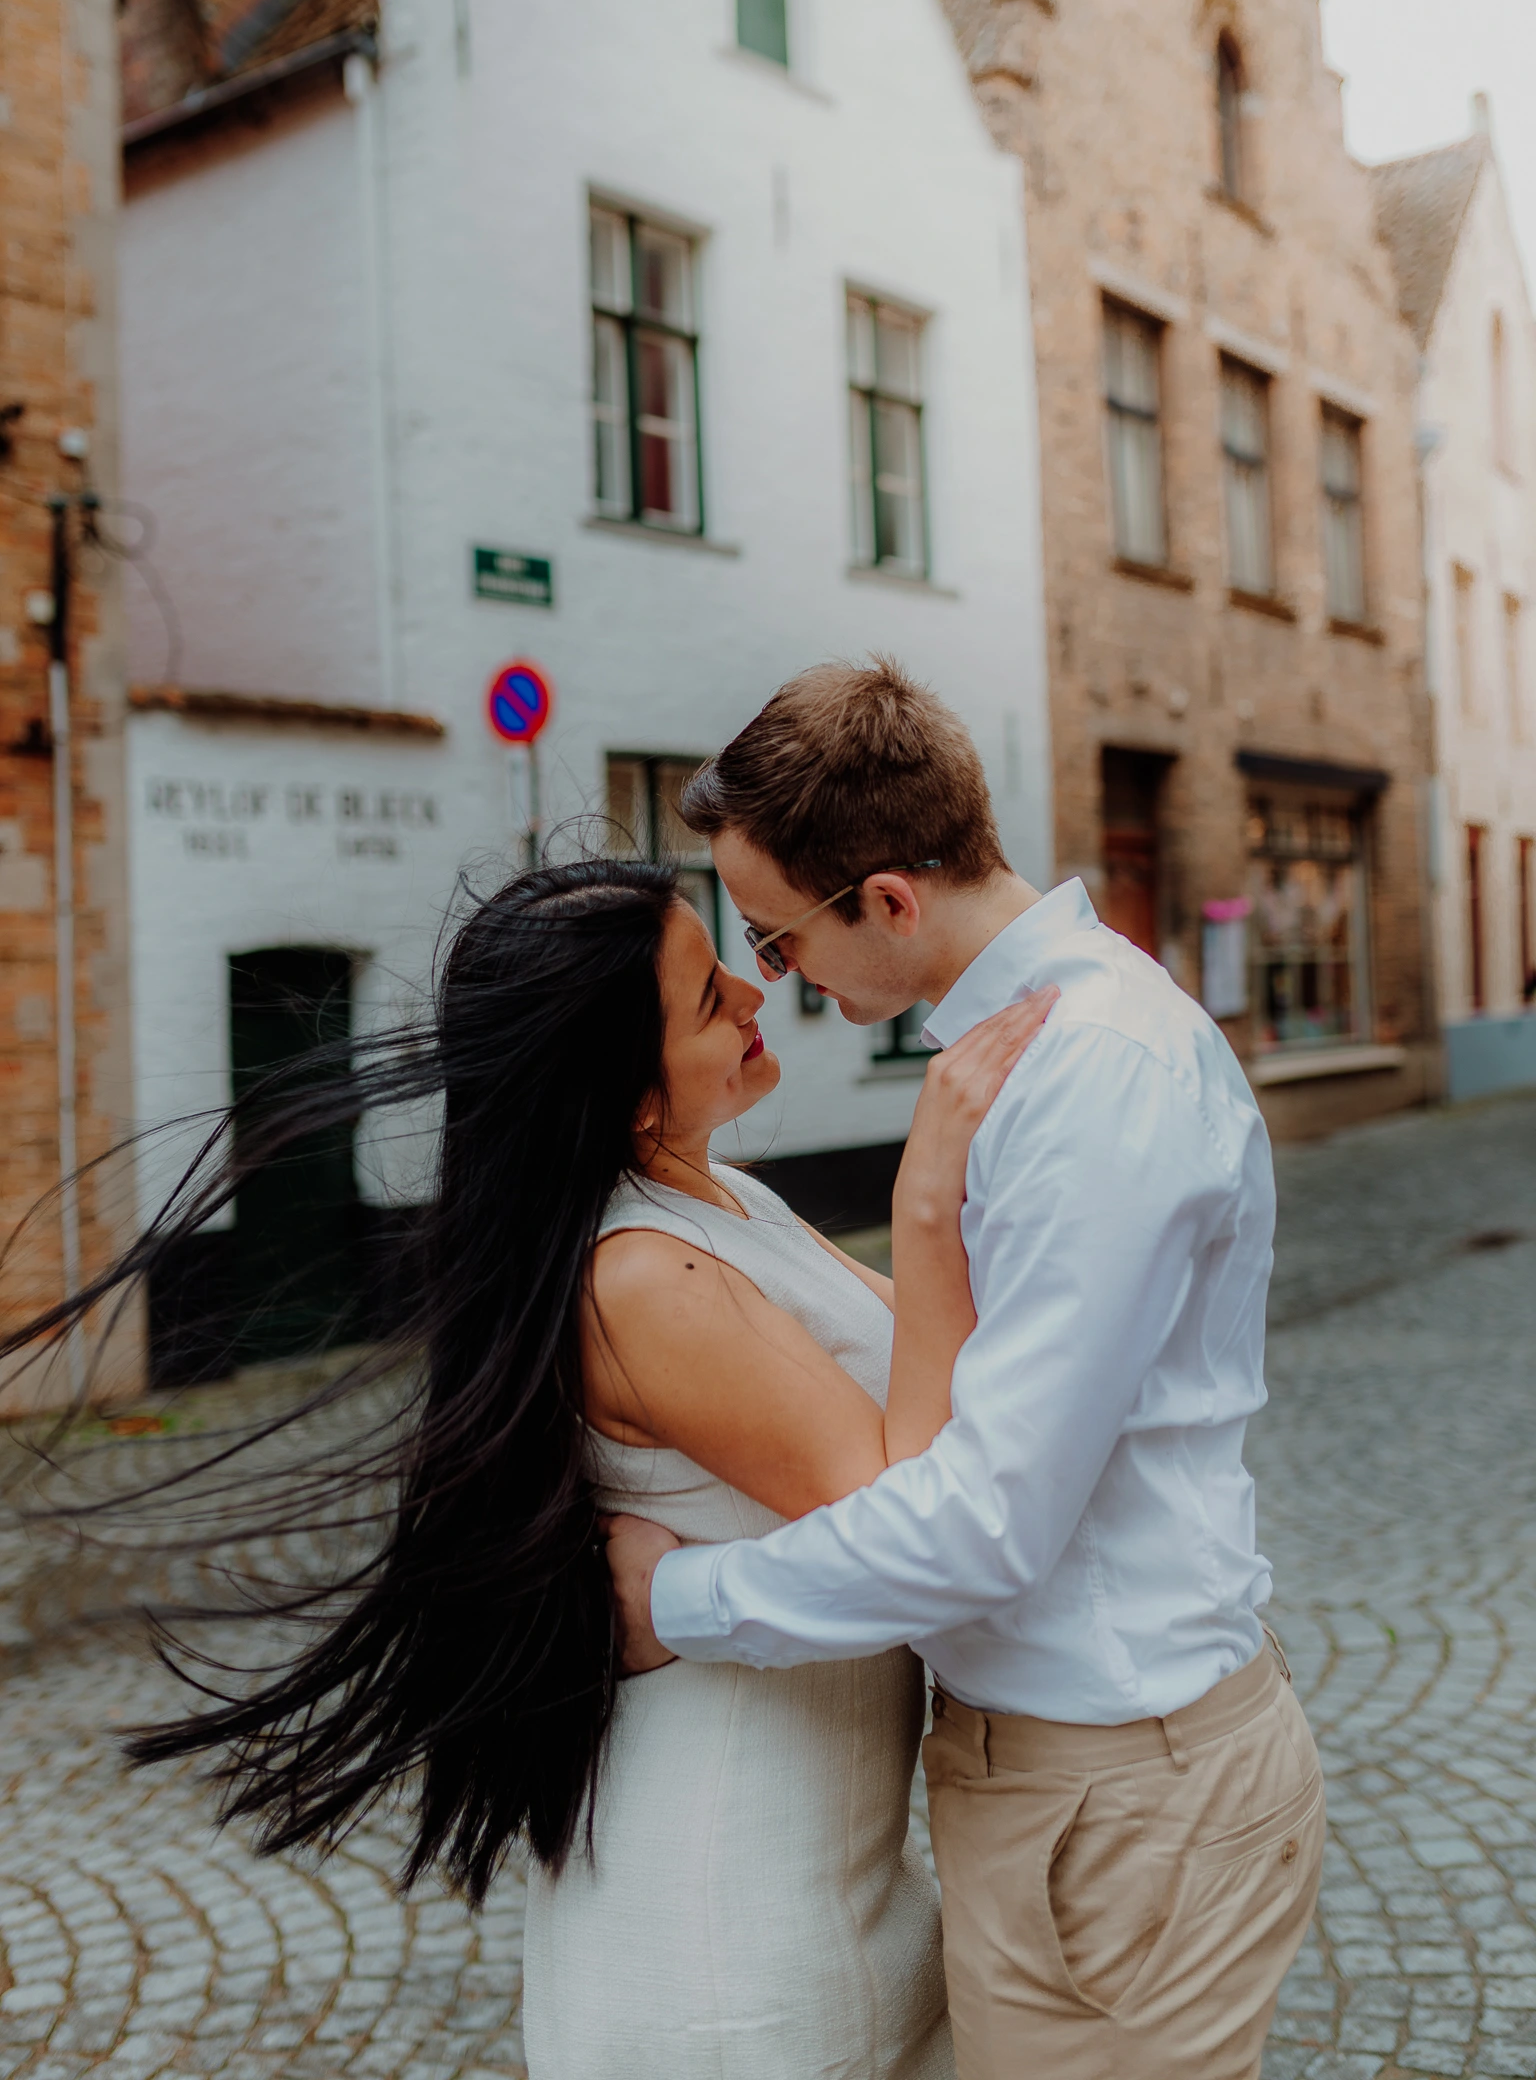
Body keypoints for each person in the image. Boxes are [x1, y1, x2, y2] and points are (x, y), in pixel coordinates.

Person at [4, 852, 1051, 2079]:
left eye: (724, 959)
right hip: (735, 1943)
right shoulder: (641, 1280)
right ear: (626, 1100)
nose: (753, 991)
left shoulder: (728, 1209)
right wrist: (928, 1201)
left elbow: (952, 1372)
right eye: (709, 997)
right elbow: (911, 1517)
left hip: (835, 1890)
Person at [607, 658, 1326, 2080]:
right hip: (1076, 1775)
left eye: (777, 934)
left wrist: (673, 1599)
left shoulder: (1088, 1081)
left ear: (886, 898)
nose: (770, 976)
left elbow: (986, 1522)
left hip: (1117, 1786)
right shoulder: (1033, 1058)